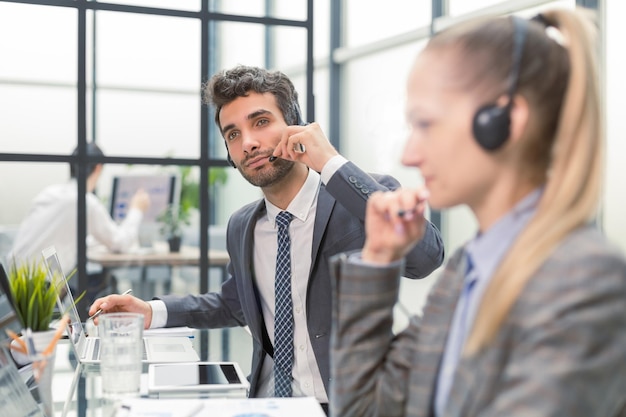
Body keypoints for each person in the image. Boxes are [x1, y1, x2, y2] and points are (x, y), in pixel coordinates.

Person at [89, 65, 445, 411]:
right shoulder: (242, 226)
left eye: (261, 122)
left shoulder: (360, 198)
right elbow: (234, 303)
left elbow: (426, 258)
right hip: (270, 404)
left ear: (296, 127)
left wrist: (331, 163)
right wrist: (152, 311)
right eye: (233, 134)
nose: (249, 143)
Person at [330, 8, 626, 417]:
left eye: (426, 124)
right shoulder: (466, 271)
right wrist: (379, 257)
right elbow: (364, 409)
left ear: (502, 121)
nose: (409, 154)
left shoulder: (584, 281)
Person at [10, 142, 150, 302]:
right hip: (40, 290)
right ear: (98, 168)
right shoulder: (85, 202)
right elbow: (120, 242)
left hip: (13, 283)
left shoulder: (49, 193)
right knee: (102, 286)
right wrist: (136, 209)